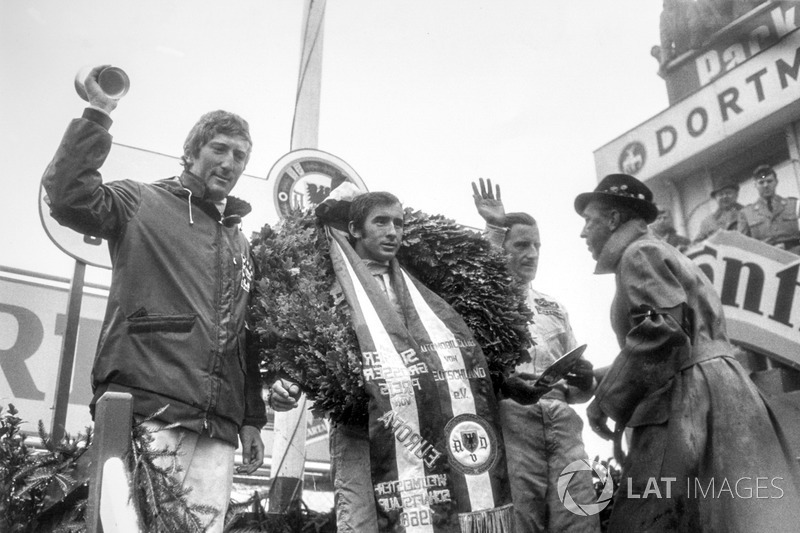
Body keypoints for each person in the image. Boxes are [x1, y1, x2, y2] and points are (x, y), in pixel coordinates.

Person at [42, 66, 266, 532]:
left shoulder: (242, 243)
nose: (229, 162)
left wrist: (251, 418)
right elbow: (67, 197)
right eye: (218, 149)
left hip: (218, 425)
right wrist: (97, 114)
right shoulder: (140, 201)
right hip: (148, 405)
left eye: (239, 156)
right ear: (190, 151)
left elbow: (244, 336)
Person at [272, 189, 516, 532]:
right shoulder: (331, 285)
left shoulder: (420, 289)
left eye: (398, 224)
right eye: (381, 222)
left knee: (429, 521)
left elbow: (474, 295)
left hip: (424, 430)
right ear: (355, 229)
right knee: (359, 522)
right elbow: (307, 349)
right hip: (359, 428)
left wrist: (494, 228)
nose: (392, 232)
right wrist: (288, 385)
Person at [574, 173, 800, 532]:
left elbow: (665, 332)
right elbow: (677, 335)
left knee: (652, 519)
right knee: (742, 514)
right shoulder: (662, 250)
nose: (583, 233)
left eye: (589, 221)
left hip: (692, 400)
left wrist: (607, 399)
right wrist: (598, 378)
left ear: (614, 219)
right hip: (724, 392)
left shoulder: (638, 254)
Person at [472, 178, 599, 533]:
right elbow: (481, 274)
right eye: (522, 245)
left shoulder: (553, 307)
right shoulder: (484, 305)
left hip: (562, 424)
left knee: (579, 519)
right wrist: (493, 227)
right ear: (504, 247)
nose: (531, 254)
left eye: (537, 246)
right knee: (521, 521)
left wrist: (585, 382)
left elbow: (580, 392)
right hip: (511, 422)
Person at [740, 163, 800, 254]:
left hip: (795, 256)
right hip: (767, 261)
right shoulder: (746, 213)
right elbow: (744, 245)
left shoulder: (794, 204)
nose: (765, 185)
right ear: (755, 185)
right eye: (761, 182)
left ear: (776, 182)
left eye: (769, 181)